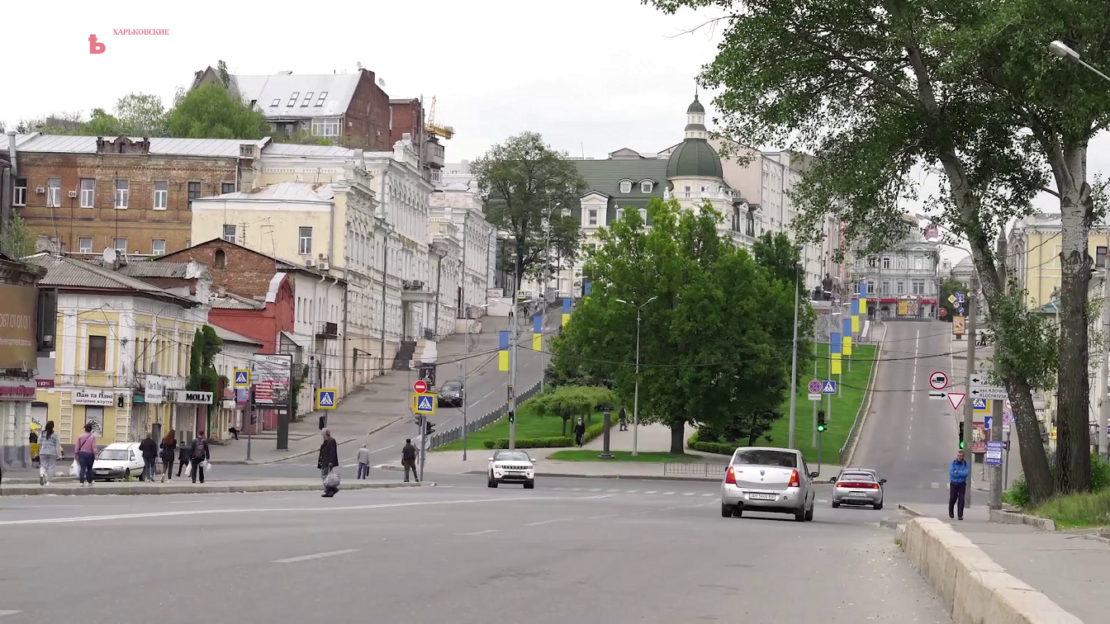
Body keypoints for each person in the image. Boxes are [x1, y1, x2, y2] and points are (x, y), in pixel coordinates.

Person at [948, 449, 971, 520]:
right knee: (953, 498)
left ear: (963, 456)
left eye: (961, 456)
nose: (959, 457)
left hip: (962, 483)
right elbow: (951, 474)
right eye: (958, 455)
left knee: (961, 499)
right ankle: (951, 512)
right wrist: (960, 473)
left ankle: (960, 515)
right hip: (954, 483)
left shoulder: (966, 464)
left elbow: (965, 474)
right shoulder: (953, 463)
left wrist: (957, 472)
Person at [38, 421, 62, 486]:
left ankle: (42, 474)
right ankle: (48, 481)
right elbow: (57, 445)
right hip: (52, 452)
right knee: (51, 467)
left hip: (43, 452)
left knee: (43, 465)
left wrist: (39, 451)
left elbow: (39, 443)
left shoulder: (42, 434)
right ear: (53, 427)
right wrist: (59, 455)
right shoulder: (54, 435)